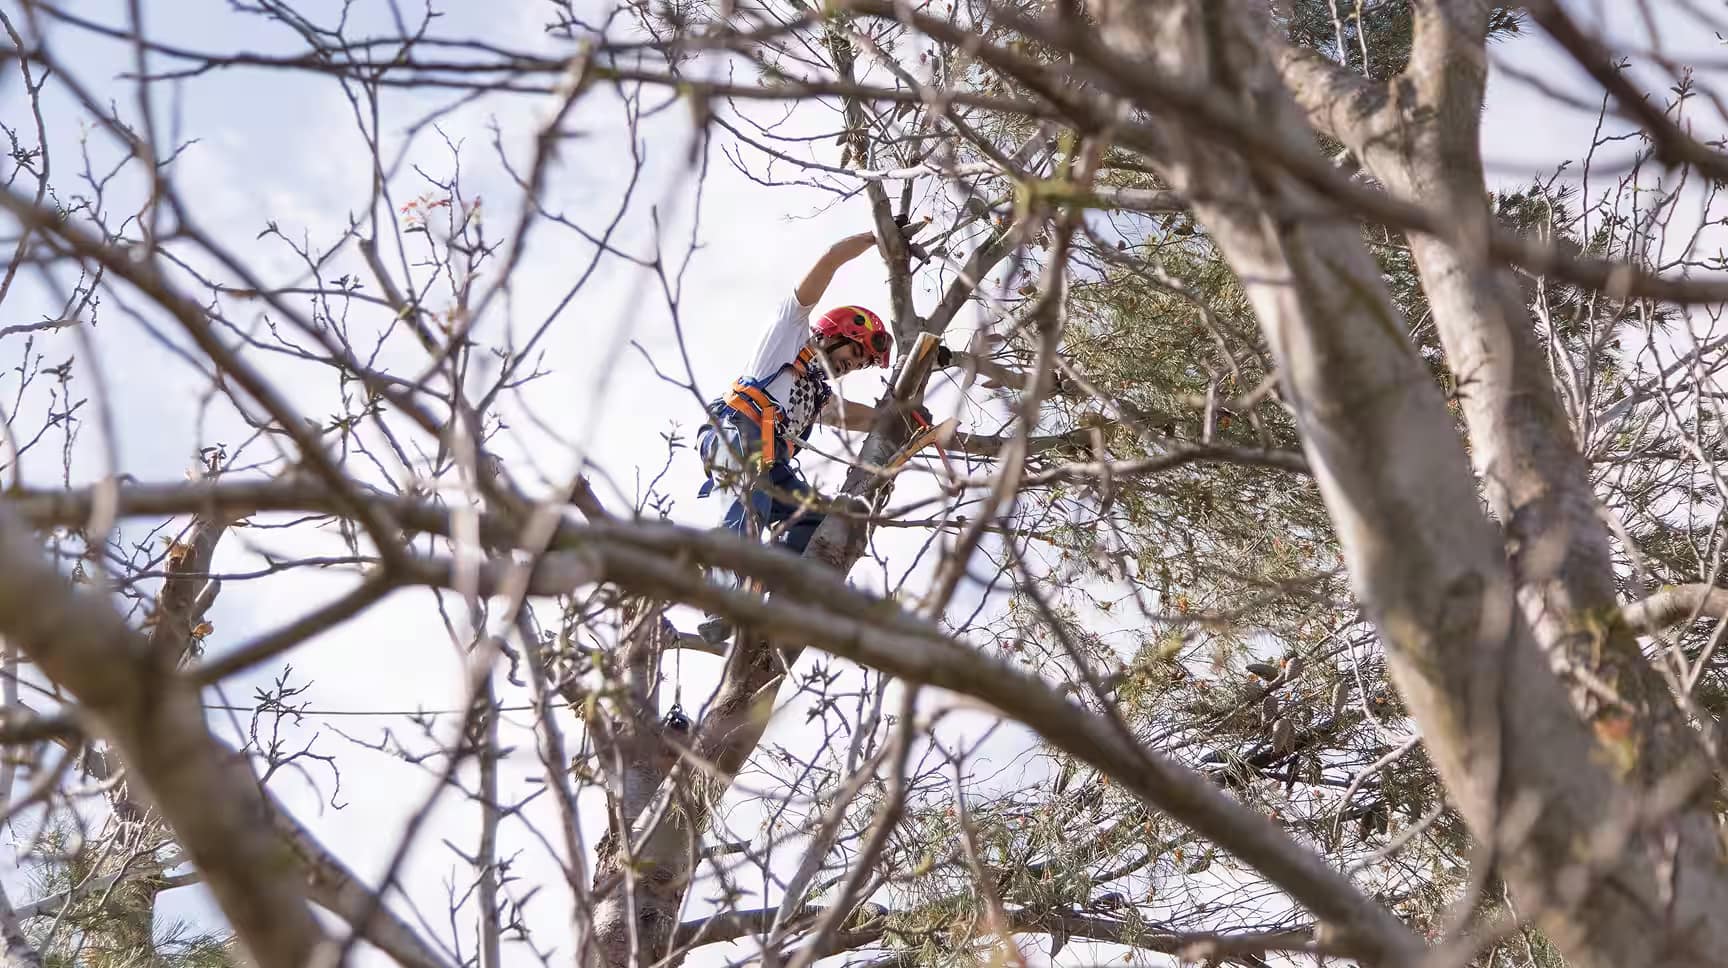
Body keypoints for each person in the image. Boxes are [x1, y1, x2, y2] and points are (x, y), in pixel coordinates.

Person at [693, 228, 919, 643]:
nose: (856, 364)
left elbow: (855, 417)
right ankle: (725, 597)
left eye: (864, 363)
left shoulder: (817, 393)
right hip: (738, 435)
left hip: (773, 461)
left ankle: (766, 579)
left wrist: (903, 416)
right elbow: (830, 259)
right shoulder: (788, 334)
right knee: (748, 505)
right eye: (855, 352)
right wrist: (875, 236)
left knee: (821, 518)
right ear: (833, 336)